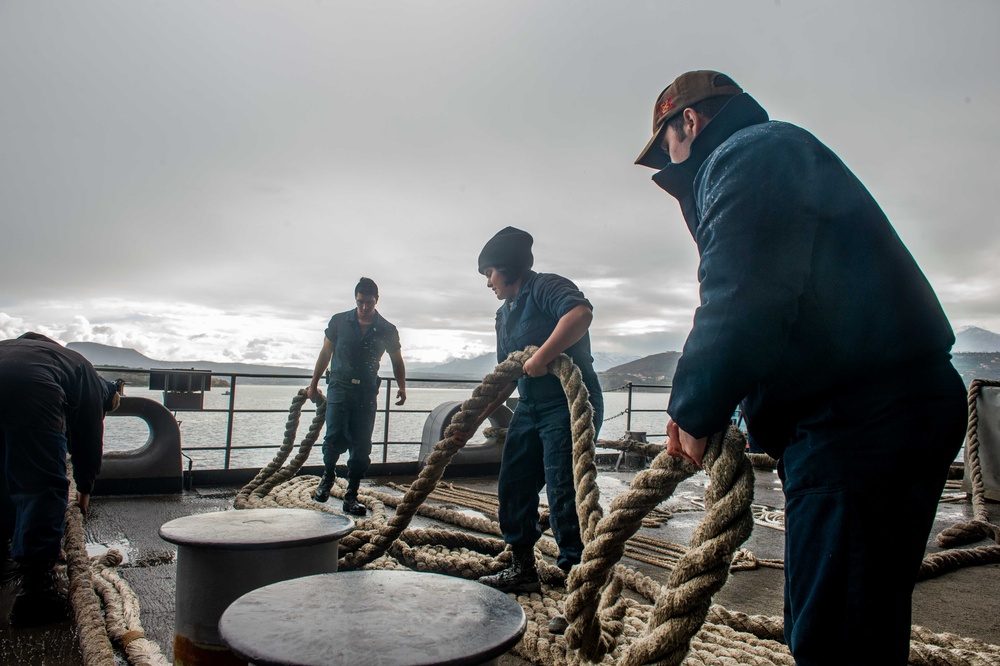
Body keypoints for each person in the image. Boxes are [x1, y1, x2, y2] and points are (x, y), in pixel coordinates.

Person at [634, 70, 968, 664]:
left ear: (687, 121)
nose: (670, 161)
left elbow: (742, 296)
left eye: (666, 146)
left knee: (835, 639)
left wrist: (692, 409)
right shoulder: (773, 152)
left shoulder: (750, 154)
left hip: (858, 422)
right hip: (870, 415)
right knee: (844, 621)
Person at [475, 227, 604, 596]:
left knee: (565, 490)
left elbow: (579, 314)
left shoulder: (546, 286)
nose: (488, 283)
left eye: (489, 273)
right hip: (530, 406)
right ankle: (522, 568)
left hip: (568, 402)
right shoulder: (503, 316)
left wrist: (543, 357)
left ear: (507, 266)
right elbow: (506, 377)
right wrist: (472, 420)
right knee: (513, 484)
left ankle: (580, 585)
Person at [0, 332, 122, 627]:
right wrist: (84, 492)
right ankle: (38, 593)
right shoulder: (90, 378)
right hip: (30, 389)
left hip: (17, 378)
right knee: (41, 485)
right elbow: (89, 443)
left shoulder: (30, 351)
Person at [306, 277, 406, 516]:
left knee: (362, 446)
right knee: (333, 437)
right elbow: (325, 352)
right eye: (360, 302)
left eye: (369, 302)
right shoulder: (339, 321)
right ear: (356, 299)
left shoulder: (387, 329)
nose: (364, 307)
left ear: (376, 301)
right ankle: (327, 478)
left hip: (366, 392)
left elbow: (397, 360)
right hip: (339, 387)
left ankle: (351, 496)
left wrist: (402, 387)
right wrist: (313, 385)